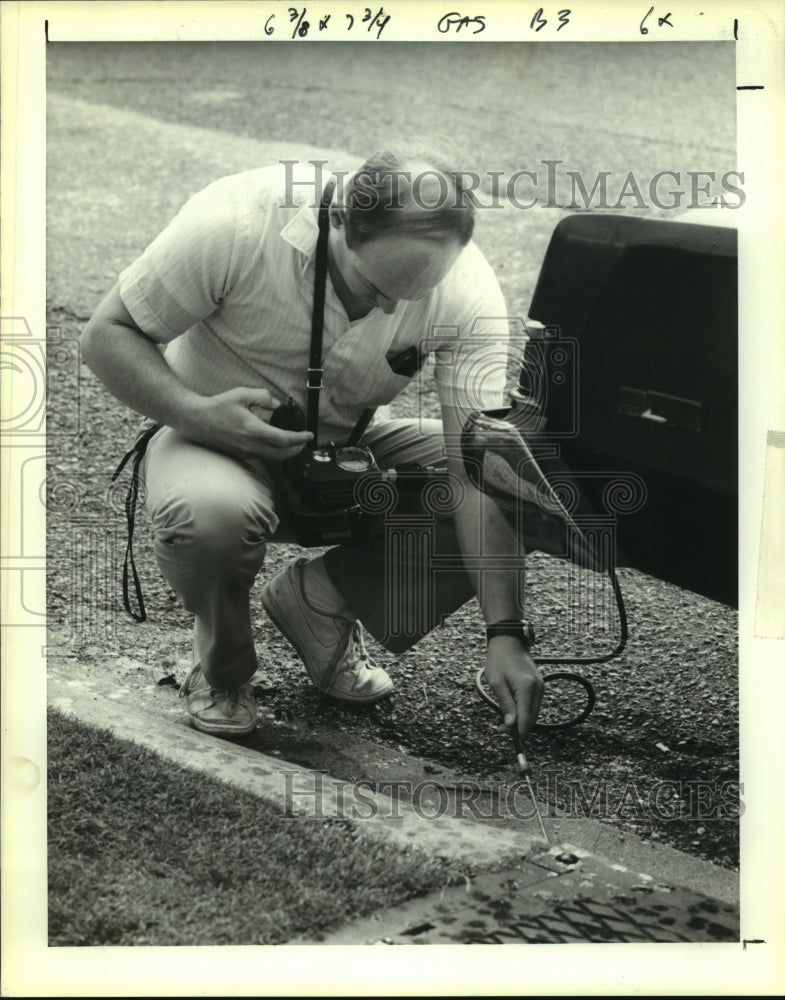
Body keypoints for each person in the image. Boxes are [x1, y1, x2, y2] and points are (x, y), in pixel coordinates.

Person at [80, 147, 544, 745]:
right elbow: (105, 336)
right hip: (212, 440)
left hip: (342, 453)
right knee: (210, 519)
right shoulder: (238, 219)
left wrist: (505, 632)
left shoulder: (465, 285)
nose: (389, 309)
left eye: (414, 293)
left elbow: (477, 472)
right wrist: (197, 414)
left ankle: (319, 603)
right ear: (341, 219)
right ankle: (223, 667)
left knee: (523, 482)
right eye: (376, 286)